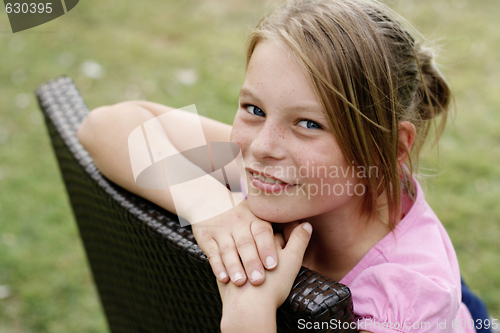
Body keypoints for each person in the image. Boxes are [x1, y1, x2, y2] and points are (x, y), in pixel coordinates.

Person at [77, 0, 493, 332]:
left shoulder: (403, 309)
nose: (261, 146)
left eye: (309, 123)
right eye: (254, 109)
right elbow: (106, 125)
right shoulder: (278, 169)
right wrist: (209, 206)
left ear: (389, 147)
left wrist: (250, 315)